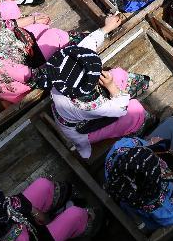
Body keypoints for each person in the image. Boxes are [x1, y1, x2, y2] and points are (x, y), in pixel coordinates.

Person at [37, 17, 154, 160]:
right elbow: (119, 109)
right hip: (83, 129)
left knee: (115, 74)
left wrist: (106, 28)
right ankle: (137, 125)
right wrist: (111, 87)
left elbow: (88, 43)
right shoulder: (88, 104)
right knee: (134, 110)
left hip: (69, 112)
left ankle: (130, 89)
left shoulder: (65, 69)